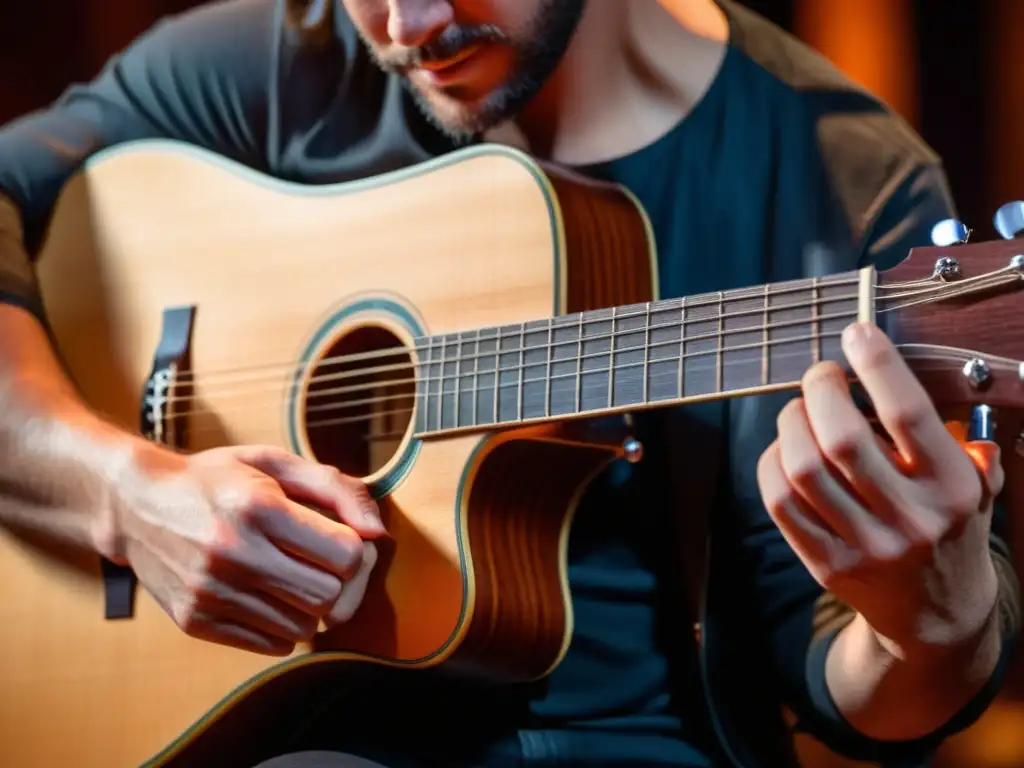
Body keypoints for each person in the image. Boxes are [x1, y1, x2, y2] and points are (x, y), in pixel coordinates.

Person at [0, 0, 1019, 766]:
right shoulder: (273, 65)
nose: (407, 25)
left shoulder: (837, 174)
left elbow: (849, 689)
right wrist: (124, 494)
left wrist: (930, 624)